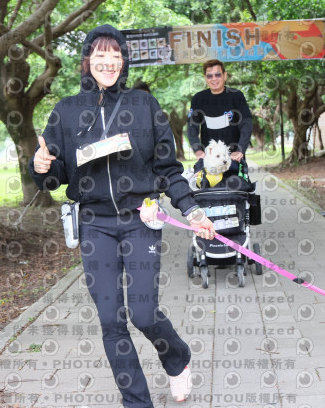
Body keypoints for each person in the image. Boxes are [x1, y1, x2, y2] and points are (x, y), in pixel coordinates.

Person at [29, 24, 215, 408]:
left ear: (124, 60)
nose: (109, 62)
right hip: (94, 224)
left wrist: (192, 210)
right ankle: (137, 403)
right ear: (87, 61)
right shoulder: (66, 111)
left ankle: (176, 357)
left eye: (116, 55)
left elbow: (168, 169)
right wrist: (41, 166)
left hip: (140, 220)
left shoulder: (144, 105)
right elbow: (56, 175)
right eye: (100, 55)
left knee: (143, 314)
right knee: (112, 322)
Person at [186, 59, 253, 163]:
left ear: (224, 75)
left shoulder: (236, 96)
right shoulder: (198, 99)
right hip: (209, 159)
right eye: (209, 76)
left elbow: (246, 124)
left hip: (234, 158)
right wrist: (198, 151)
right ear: (205, 78)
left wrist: (240, 149)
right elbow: (192, 127)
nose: (214, 79)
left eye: (218, 75)